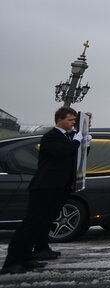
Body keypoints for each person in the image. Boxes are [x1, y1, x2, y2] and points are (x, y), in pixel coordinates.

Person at [2, 108, 91, 275]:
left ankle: (27, 258)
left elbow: (74, 157)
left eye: (74, 120)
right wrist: (77, 141)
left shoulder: (66, 137)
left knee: (41, 224)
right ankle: (11, 262)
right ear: (60, 120)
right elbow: (61, 152)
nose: (73, 123)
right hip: (45, 187)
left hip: (59, 187)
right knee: (29, 224)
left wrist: (85, 144)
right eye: (71, 120)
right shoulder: (51, 136)